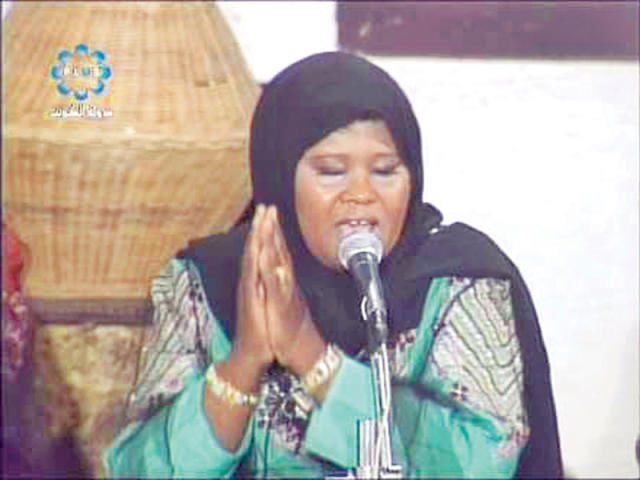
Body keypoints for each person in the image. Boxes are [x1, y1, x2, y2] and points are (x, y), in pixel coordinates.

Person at [104, 52, 562, 478]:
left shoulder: (457, 281)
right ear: (281, 175)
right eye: (331, 171)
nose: (361, 194)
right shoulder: (208, 282)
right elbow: (139, 470)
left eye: (385, 171)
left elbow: (479, 463)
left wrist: (309, 353)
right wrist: (244, 360)